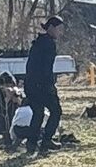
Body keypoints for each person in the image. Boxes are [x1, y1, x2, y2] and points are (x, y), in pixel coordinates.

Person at [24, 16, 66, 153]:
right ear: (51, 28)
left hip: (30, 84)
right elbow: (46, 69)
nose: (61, 33)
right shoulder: (49, 44)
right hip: (41, 85)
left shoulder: (38, 42)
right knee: (56, 111)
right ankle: (46, 140)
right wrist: (50, 87)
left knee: (38, 113)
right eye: (59, 29)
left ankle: (31, 143)